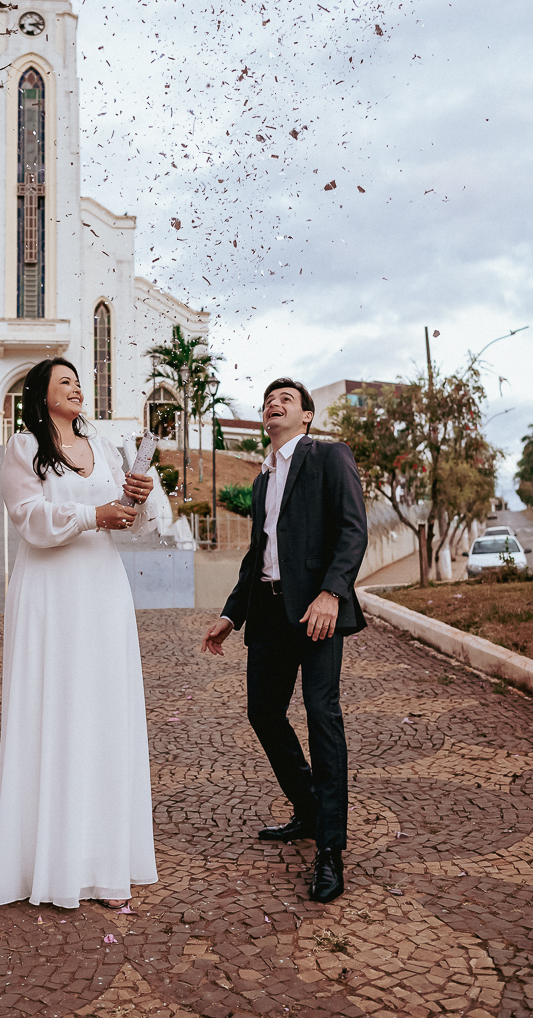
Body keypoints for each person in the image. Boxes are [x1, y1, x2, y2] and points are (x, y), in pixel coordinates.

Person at [0, 356, 159, 911]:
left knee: (103, 714)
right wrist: (91, 516)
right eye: (65, 382)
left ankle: (104, 863)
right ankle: (50, 864)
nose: (77, 387)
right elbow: (29, 518)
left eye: (79, 381)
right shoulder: (23, 448)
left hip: (103, 591)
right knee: (54, 710)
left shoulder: (104, 447)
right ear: (41, 394)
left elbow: (134, 521)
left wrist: (139, 498)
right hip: (50, 594)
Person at [202, 377, 368, 904]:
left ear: (307, 415)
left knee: (322, 715)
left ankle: (330, 850)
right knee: (263, 712)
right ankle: (309, 808)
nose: (274, 404)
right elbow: (258, 554)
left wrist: (332, 593)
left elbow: (353, 530)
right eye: (268, 401)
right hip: (270, 611)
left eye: (286, 399)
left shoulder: (329, 456)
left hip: (318, 610)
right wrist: (231, 614)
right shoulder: (262, 478)